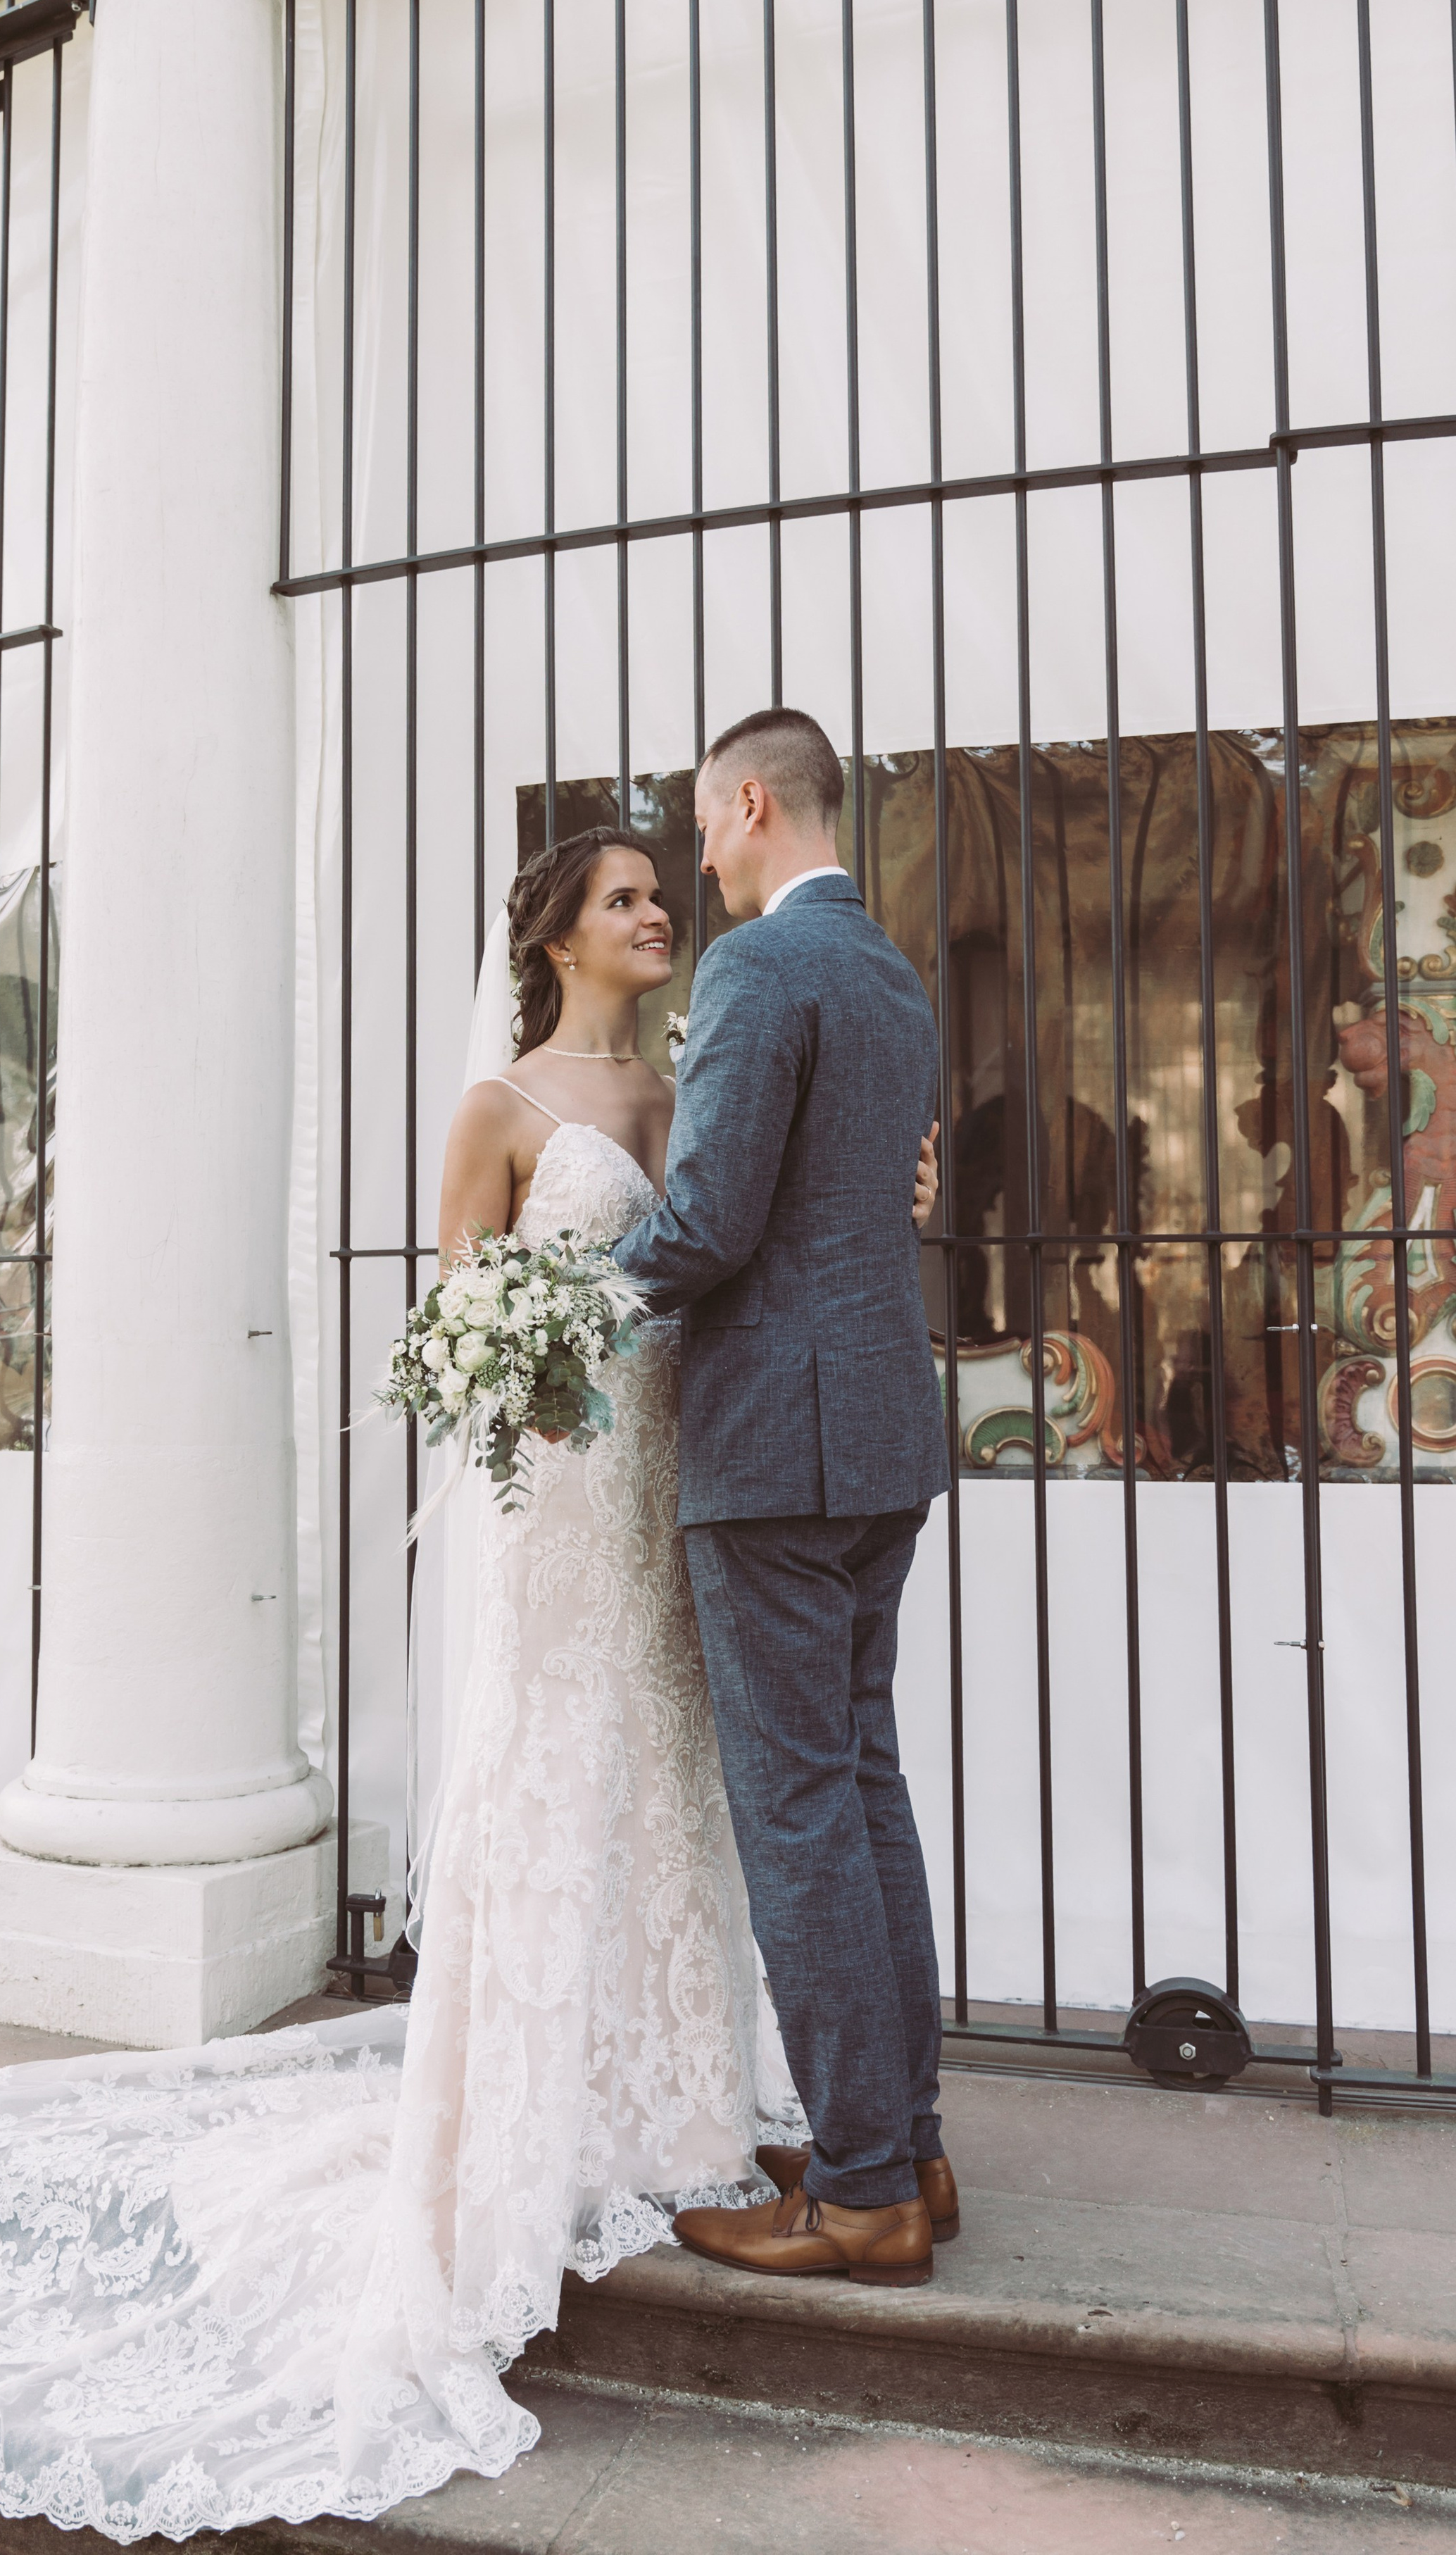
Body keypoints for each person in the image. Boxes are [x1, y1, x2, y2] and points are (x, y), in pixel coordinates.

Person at [0, 806, 941, 2538]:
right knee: (595, 1765)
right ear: (557, 935)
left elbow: (755, 1224)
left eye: (663, 892)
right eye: (624, 898)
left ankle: (677, 2097)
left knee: (695, 1787)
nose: (657, 913)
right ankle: (556, 2102)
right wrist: (524, 1345)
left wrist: (883, 1190)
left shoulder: (697, 1080)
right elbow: (462, 1319)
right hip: (575, 1495)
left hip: (698, 1470)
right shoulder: (500, 1106)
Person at [613, 706, 955, 2285]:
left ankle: (863, 2190)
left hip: (774, 1450)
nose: (697, 859)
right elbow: (851, 1194)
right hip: (880, 1433)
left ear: (751, 803)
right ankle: (908, 2146)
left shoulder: (756, 967)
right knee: (863, 1784)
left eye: (700, 825)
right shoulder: (889, 972)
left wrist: (562, 1301)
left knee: (799, 1805)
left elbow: (710, 1222)